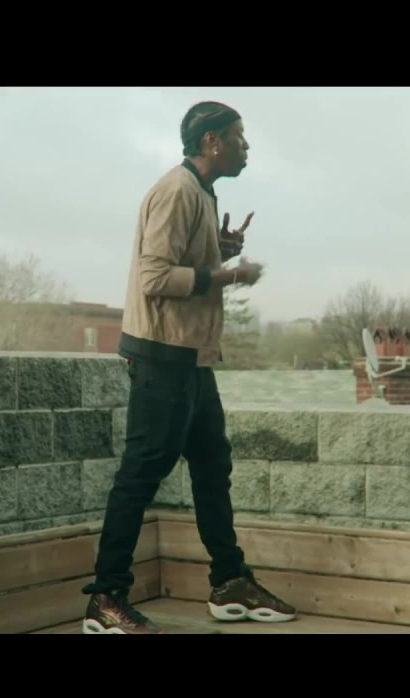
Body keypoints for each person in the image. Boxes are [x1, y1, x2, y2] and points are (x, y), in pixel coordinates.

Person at [81, 100, 298, 634]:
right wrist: (228, 275)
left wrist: (217, 251)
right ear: (212, 142)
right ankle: (105, 600)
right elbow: (155, 277)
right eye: (239, 136)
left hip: (191, 359)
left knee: (212, 468)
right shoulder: (177, 190)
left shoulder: (201, 192)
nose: (247, 146)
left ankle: (230, 582)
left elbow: (181, 266)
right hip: (161, 357)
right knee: (140, 475)